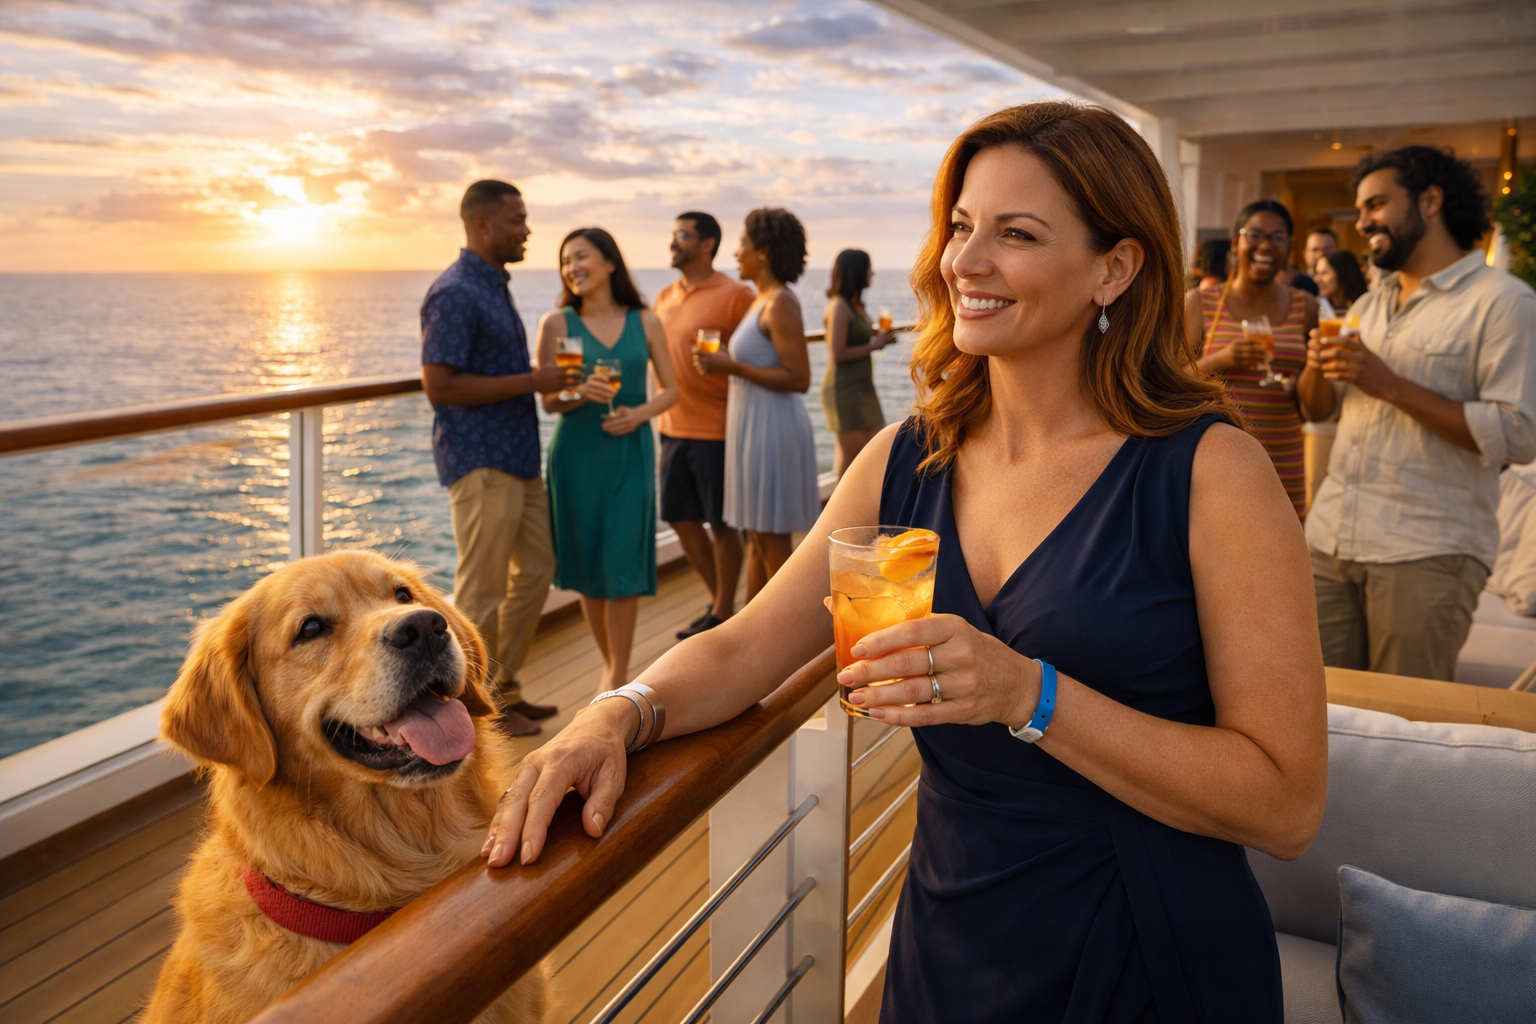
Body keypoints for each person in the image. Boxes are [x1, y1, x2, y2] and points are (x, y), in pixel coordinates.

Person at [486, 101, 1327, 1024]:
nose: (965, 261)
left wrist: (1028, 694)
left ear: (1115, 268)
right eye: (962, 226)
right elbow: (747, 645)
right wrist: (616, 714)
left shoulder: (1211, 472)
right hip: (952, 938)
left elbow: (1286, 805)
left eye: (1016, 233)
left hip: (1149, 947)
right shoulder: (904, 459)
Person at [1298, 145, 1536, 680]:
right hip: (1331, 540)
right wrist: (1315, 365)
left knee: (1402, 722)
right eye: (1360, 209)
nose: (1363, 222)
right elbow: (1321, 410)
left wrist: (1389, 385)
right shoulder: (1368, 305)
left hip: (1427, 551)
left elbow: (1519, 434)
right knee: (1322, 708)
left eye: (1376, 204)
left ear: (1430, 201)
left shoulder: (1502, 302)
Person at [421, 180, 577, 736]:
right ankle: (469, 709)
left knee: (537, 571)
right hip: (481, 462)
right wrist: (535, 381)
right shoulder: (456, 291)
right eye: (517, 220)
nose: (527, 230)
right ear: (483, 224)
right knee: (482, 591)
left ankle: (499, 689)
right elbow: (440, 385)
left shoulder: (492, 285)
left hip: (517, 460)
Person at [538, 228, 678, 692]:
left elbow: (672, 390)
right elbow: (551, 401)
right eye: (565, 261)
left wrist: (640, 414)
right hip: (576, 456)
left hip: (628, 452)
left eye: (581, 257)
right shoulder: (557, 325)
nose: (572, 268)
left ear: (610, 262)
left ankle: (617, 674)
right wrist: (579, 392)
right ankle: (609, 667)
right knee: (588, 566)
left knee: (621, 561)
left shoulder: (646, 321)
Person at [694, 208, 821, 601]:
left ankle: (792, 628)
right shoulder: (759, 300)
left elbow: (799, 378)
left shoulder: (780, 303)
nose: (736, 252)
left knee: (771, 541)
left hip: (771, 429)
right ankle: (748, 626)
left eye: (743, 244)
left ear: (763, 252)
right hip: (752, 426)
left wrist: (731, 366)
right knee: (757, 539)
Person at [654, 213, 756, 640]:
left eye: (683, 235)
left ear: (708, 244)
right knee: (679, 517)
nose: (673, 241)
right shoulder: (665, 295)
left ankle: (722, 610)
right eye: (673, 234)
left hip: (718, 429)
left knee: (723, 524)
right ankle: (720, 602)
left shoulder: (737, 295)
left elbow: (759, 351)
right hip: (671, 427)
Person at [1189, 199, 1318, 517]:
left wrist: (1303, 381)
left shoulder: (1306, 307)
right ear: (1236, 243)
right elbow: (1169, 381)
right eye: (1255, 235)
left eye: (1277, 237)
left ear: (1288, 247)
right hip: (1215, 459)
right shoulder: (1200, 303)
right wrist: (1220, 360)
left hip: (1283, 458)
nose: (1266, 245)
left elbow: (1314, 394)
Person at [820, 248, 894, 478]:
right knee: (851, 458)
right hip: (843, 389)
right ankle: (841, 502)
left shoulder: (855, 305)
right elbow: (837, 353)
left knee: (879, 448)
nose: (872, 273)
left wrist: (880, 338)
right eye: (869, 269)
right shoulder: (839, 306)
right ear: (857, 271)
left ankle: (865, 499)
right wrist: (876, 345)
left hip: (863, 387)